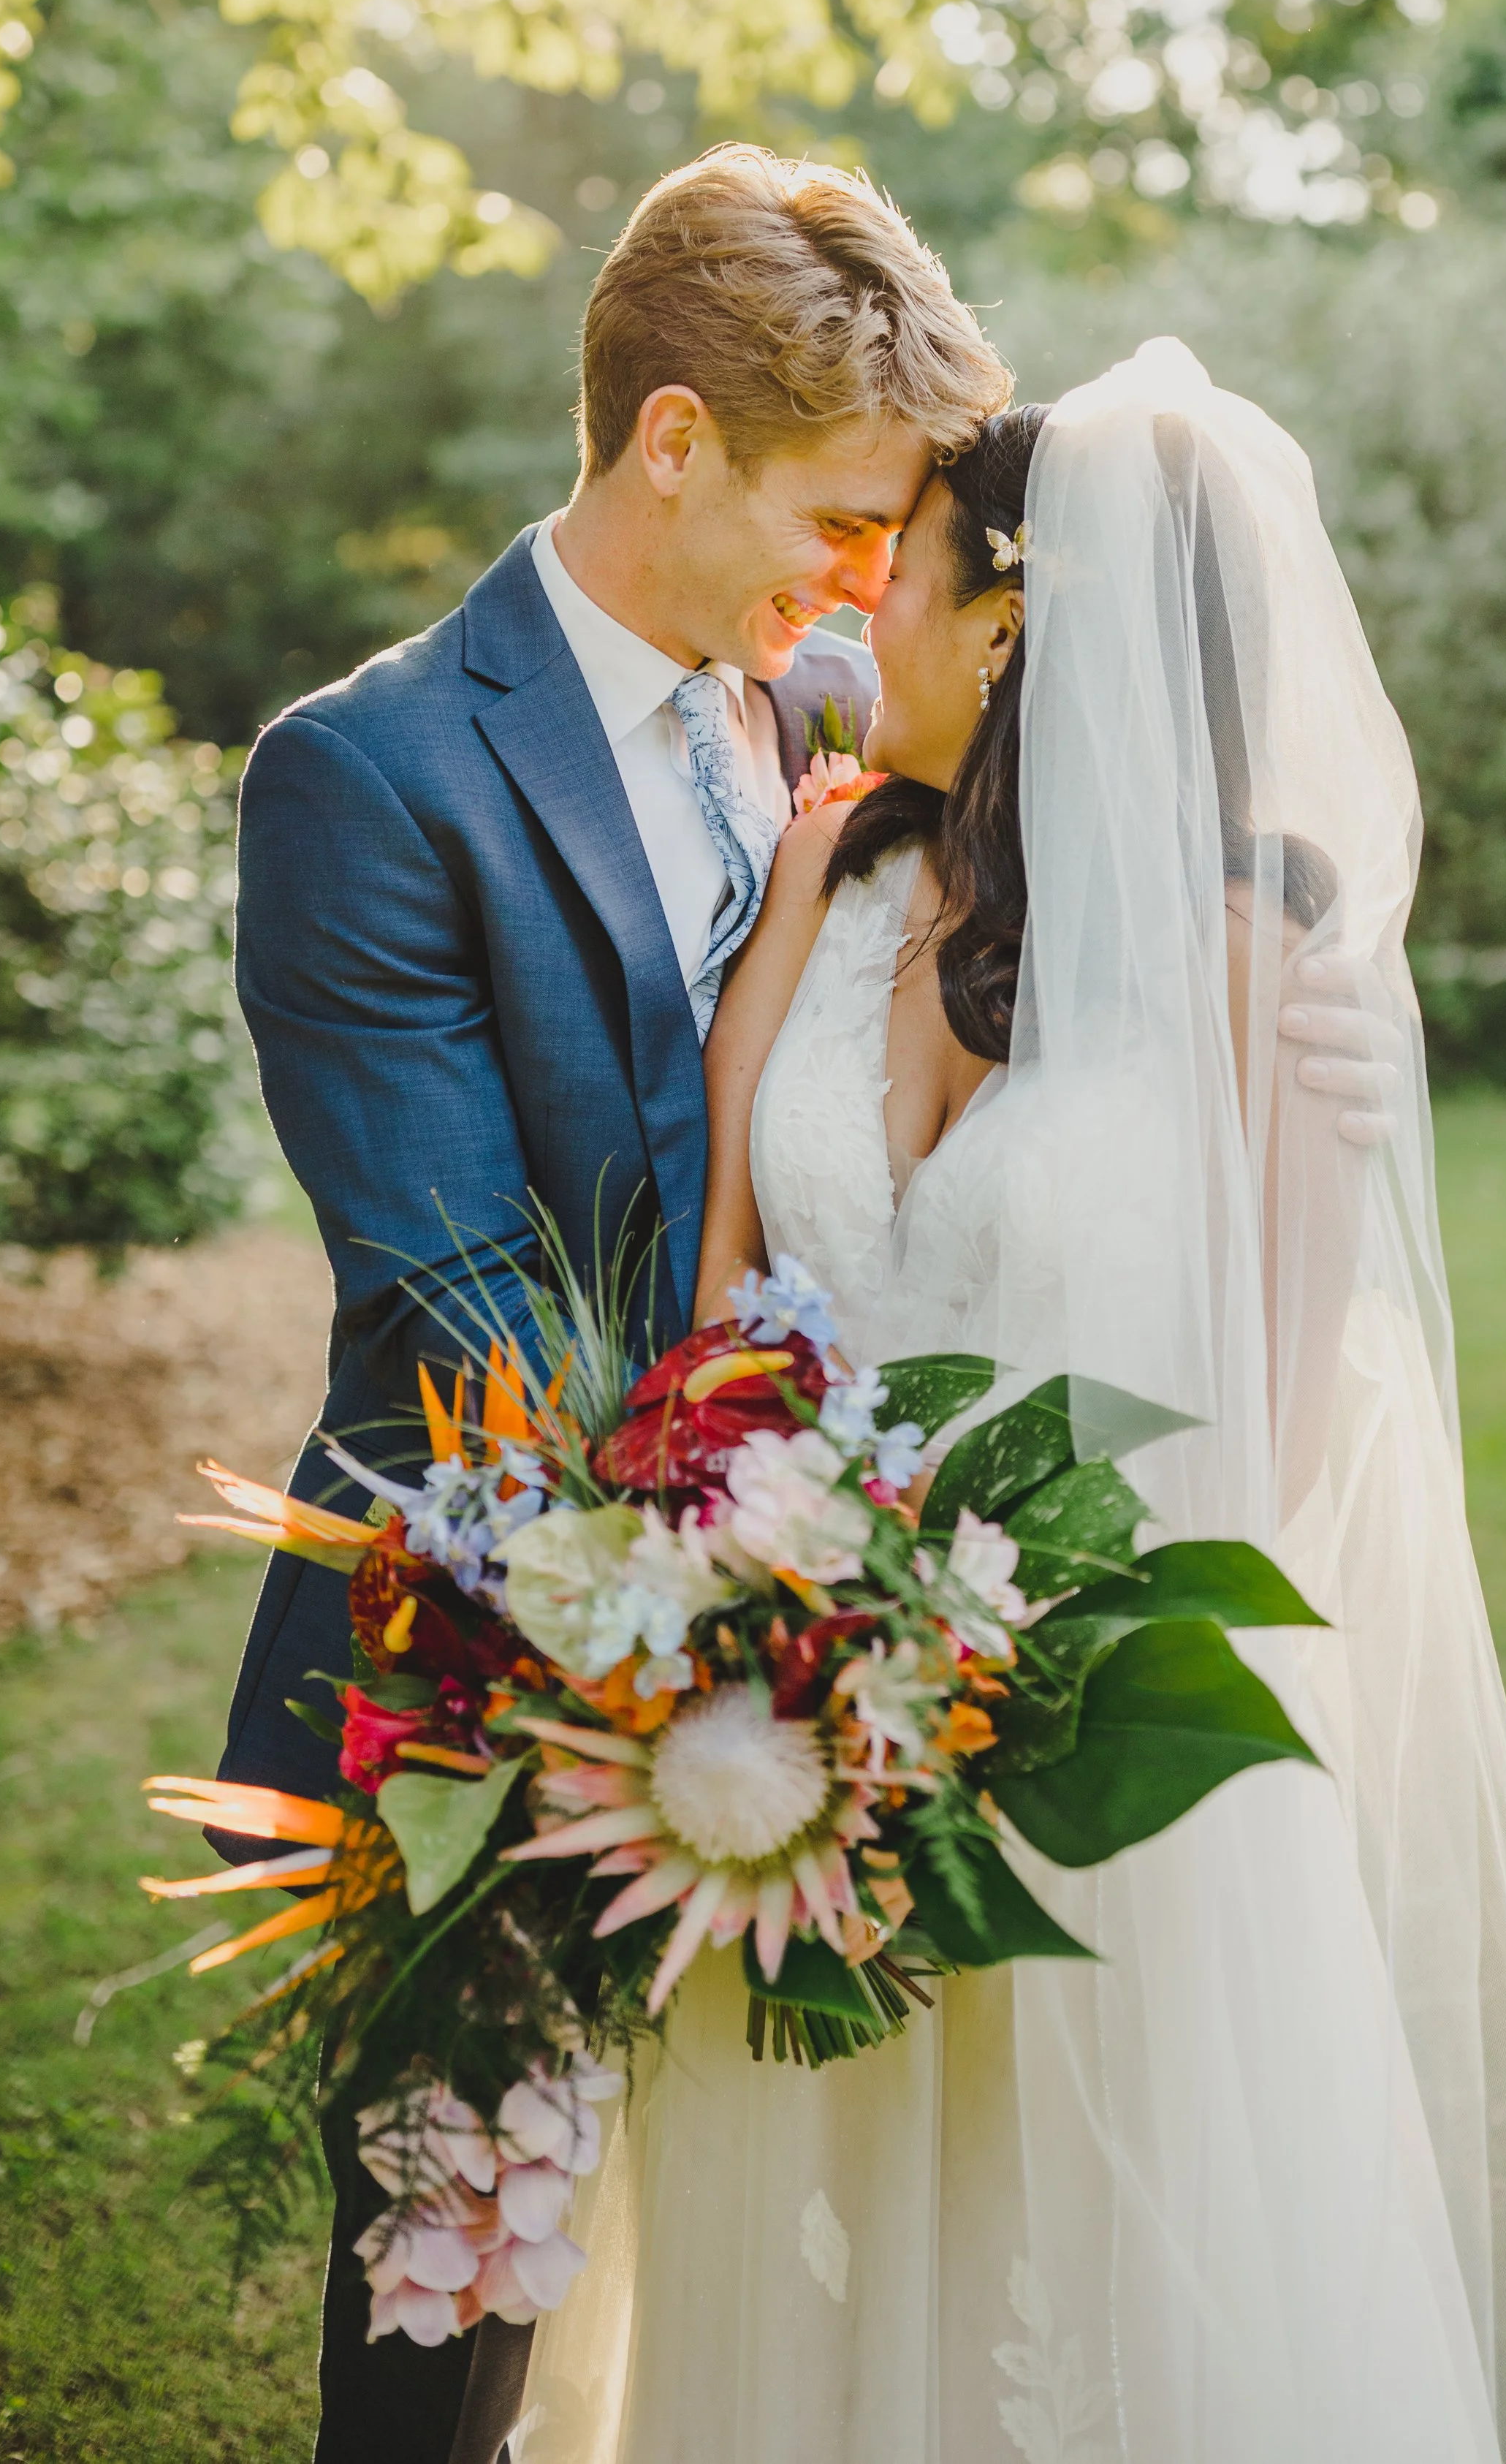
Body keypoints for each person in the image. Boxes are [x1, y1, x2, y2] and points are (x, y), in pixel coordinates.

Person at [517, 344, 1506, 2463]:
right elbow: (717, 1297)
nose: (856, 605)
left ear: (1007, 621)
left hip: (1101, 1788)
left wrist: (969, 1679)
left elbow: (1276, 1444)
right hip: (785, 1750)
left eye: (903, 566)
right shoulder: (829, 872)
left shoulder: (1263, 962)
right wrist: (739, 1626)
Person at [217, 145, 1013, 2464]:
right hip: (477, 1668)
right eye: (835, 518)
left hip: (791, 1661)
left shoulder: (813, 721)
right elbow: (467, 1297)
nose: (864, 581)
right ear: (675, 438)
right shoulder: (366, 775)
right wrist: (785, 1577)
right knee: (451, 2325)